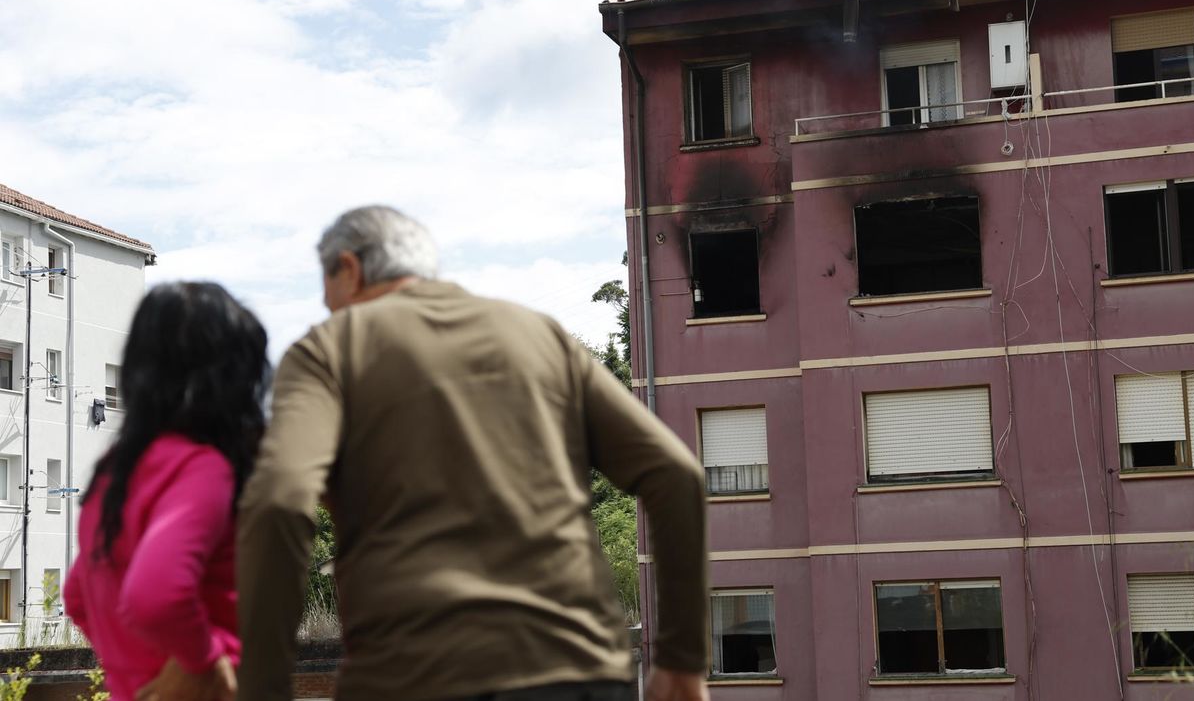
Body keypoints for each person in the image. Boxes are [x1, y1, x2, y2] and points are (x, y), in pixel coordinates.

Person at [236, 206, 710, 701]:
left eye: (326, 289)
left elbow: (279, 502)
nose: (326, 306)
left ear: (350, 269)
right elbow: (674, 474)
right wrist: (682, 662)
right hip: (580, 671)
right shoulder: (540, 336)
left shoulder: (328, 351)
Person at [64, 282, 270, 701]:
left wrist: (135, 668)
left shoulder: (114, 471)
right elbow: (156, 596)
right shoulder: (202, 468)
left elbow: (76, 596)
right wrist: (205, 663)